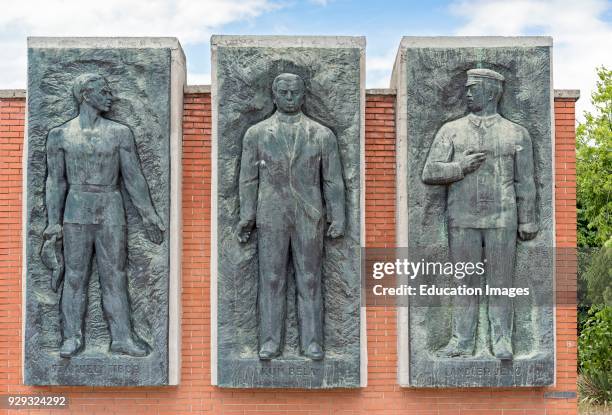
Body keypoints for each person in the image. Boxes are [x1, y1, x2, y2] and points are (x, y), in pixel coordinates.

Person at [43, 73, 165, 358]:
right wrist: (52, 222)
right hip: (76, 208)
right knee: (74, 276)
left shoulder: (120, 133)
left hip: (111, 207)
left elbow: (133, 177)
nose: (111, 95)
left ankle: (121, 338)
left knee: (115, 276)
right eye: (104, 91)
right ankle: (71, 337)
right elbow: (55, 182)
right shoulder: (59, 135)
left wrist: (148, 215)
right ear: (86, 94)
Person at [422, 68, 538, 360]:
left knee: (501, 281)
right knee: (465, 281)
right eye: (467, 88)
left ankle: (502, 341)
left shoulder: (515, 133)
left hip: (503, 219)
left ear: (492, 91)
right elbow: (430, 172)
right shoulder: (451, 130)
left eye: (473, 88)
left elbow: (525, 180)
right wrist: (459, 167)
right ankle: (462, 341)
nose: (468, 93)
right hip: (462, 218)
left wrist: (528, 218)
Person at [237, 73, 346, 360]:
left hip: (309, 217)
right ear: (273, 95)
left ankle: (312, 342)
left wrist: (338, 217)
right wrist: (247, 215)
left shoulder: (322, 134)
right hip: (270, 214)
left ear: (303, 95)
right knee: (271, 279)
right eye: (283, 92)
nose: (288, 97)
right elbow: (248, 178)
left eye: (294, 92)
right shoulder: (256, 134)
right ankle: (270, 341)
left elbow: (332, 180)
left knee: (309, 280)